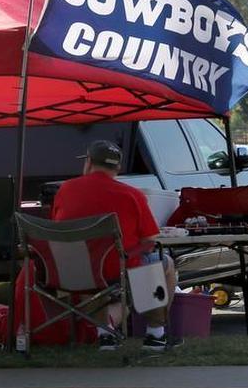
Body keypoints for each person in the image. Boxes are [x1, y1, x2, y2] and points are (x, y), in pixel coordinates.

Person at [51, 140, 180, 351]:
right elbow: (149, 241)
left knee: (91, 268)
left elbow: (58, 230)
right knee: (162, 263)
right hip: (119, 271)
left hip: (72, 273)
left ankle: (105, 335)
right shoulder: (132, 195)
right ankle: (155, 334)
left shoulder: (65, 190)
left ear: (89, 162)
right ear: (118, 168)